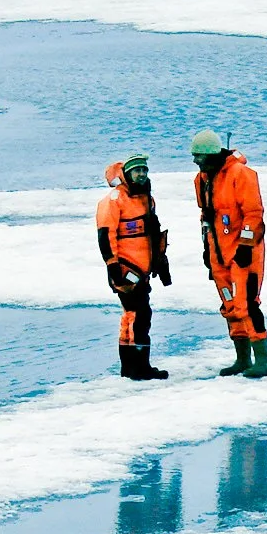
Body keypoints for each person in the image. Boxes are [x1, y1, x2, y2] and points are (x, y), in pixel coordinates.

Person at [191, 128, 267, 378]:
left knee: (247, 305)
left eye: (198, 156)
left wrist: (246, 247)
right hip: (219, 255)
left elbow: (253, 214)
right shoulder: (202, 180)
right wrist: (207, 248)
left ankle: (263, 361)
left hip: (243, 253)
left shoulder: (241, 175)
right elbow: (206, 216)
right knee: (229, 306)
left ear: (211, 154)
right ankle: (242, 359)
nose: (195, 161)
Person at [96, 152, 172, 380]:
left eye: (144, 170)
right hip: (125, 268)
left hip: (144, 269)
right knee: (139, 315)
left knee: (133, 315)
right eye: (137, 170)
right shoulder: (113, 201)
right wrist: (113, 266)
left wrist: (160, 261)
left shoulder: (147, 199)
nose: (141, 174)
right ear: (127, 174)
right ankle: (139, 368)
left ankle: (131, 367)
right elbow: (105, 236)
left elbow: (153, 232)